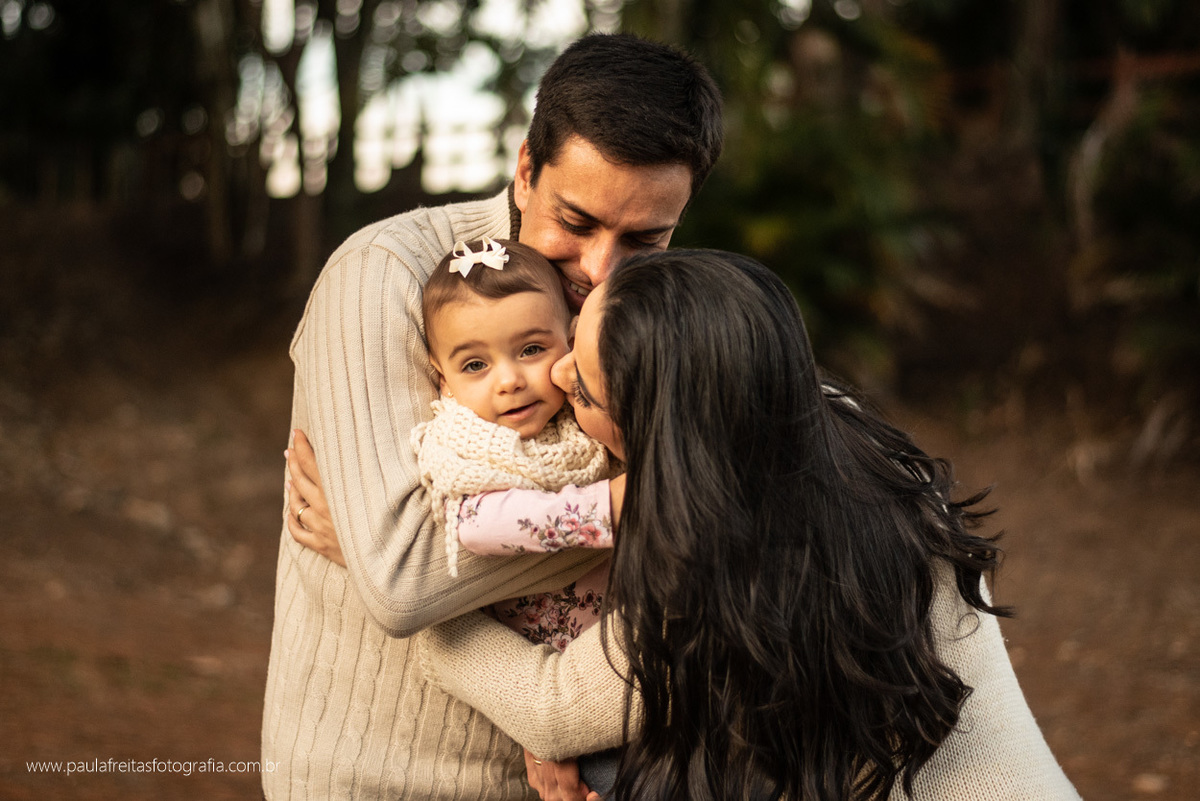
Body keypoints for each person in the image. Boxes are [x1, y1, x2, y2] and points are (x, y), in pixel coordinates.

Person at [291, 250, 1083, 800]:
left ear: (659, 447)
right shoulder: (830, 427)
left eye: (588, 392)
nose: (558, 376)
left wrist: (377, 568)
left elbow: (553, 707)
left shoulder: (735, 563)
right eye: (580, 333)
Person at [263, 32, 722, 800]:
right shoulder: (386, 276)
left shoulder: (654, 310)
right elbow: (406, 576)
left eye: (645, 238)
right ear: (525, 168)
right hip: (373, 777)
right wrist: (651, 501)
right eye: (574, 222)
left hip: (569, 768)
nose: (600, 269)